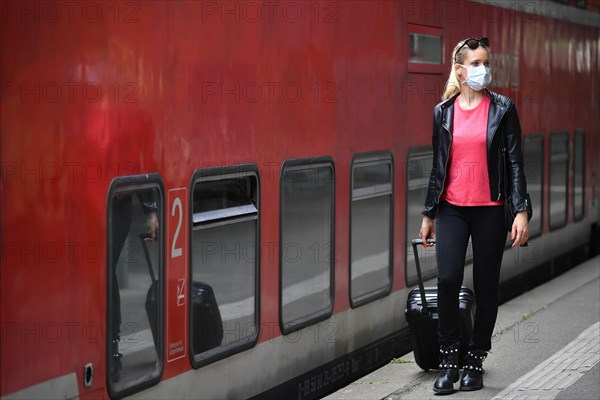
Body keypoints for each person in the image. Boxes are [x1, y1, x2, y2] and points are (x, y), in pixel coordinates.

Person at [419, 37, 529, 394]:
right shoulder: (443, 112)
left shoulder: (503, 108)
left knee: (484, 287)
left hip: (491, 210)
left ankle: (475, 360)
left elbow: (514, 163)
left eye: (486, 62)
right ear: (460, 68)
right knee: (448, 281)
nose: (484, 69)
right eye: (477, 63)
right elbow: (438, 168)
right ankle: (449, 358)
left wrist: (521, 210)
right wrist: (429, 212)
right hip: (452, 208)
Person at [110, 189, 158, 380]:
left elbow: (138, 163)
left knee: (106, 268)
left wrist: (150, 210)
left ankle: (112, 349)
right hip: (86, 203)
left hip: (117, 204)